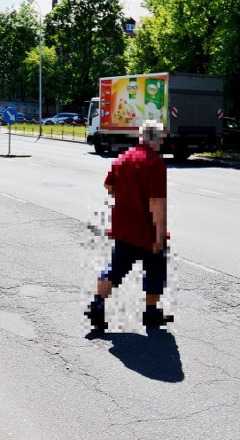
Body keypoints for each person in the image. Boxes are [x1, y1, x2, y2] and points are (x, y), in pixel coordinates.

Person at [85, 119, 172, 333]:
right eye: (161, 139)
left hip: (123, 227)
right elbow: (156, 203)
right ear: (157, 139)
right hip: (147, 230)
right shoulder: (155, 163)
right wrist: (160, 234)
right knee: (154, 271)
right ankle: (151, 313)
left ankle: (97, 303)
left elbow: (108, 184)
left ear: (141, 137)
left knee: (116, 270)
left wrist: (121, 194)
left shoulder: (123, 158)